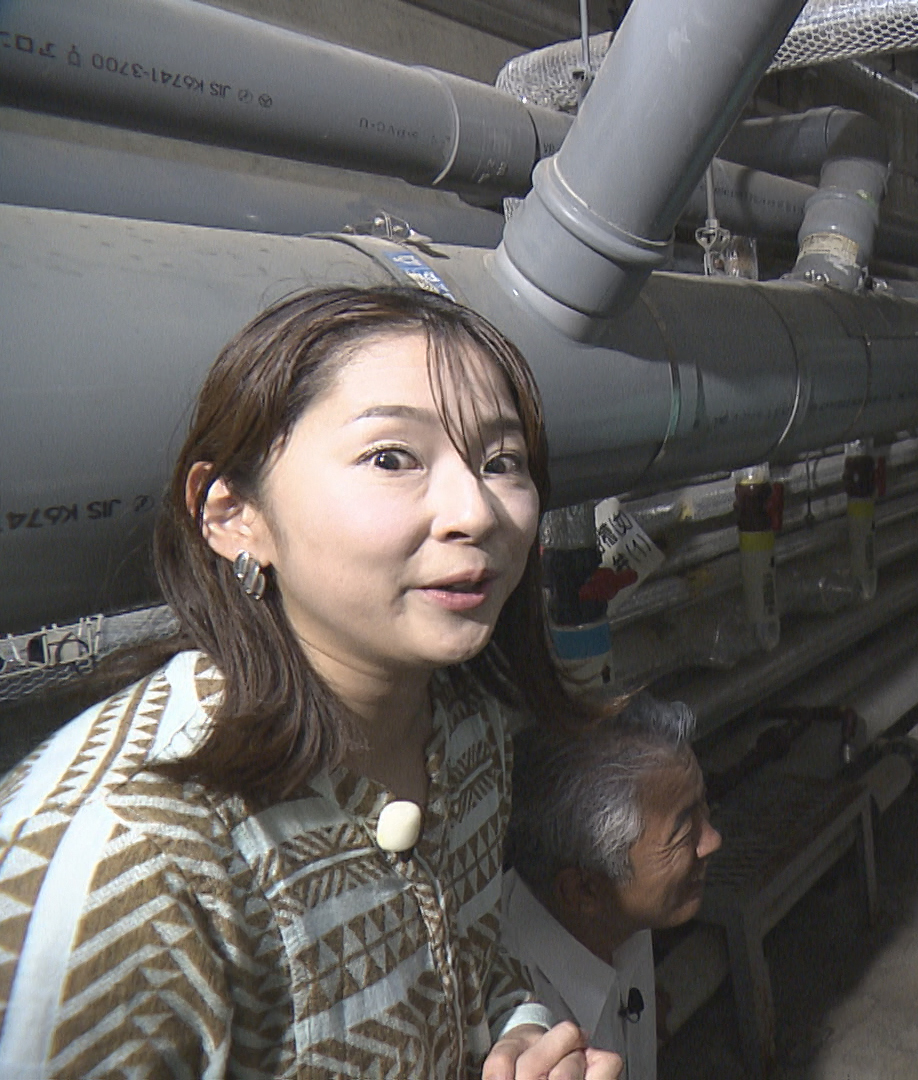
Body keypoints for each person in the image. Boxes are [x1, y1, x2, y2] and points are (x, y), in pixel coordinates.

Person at [0, 286, 619, 1079]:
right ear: (233, 515)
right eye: (391, 458)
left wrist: (520, 1036)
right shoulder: (130, 864)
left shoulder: (466, 726)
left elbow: (465, 966)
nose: (476, 511)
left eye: (502, 463)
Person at [499, 694, 723, 1080]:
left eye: (704, 807)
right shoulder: (513, 1034)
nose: (713, 840)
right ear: (583, 891)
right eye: (685, 831)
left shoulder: (619, 914)